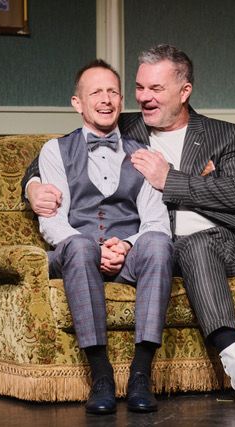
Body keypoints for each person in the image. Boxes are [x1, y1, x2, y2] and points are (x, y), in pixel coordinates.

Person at [23, 45, 235, 401]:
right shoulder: (125, 124)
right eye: (139, 88)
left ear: (184, 91)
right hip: (173, 247)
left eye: (156, 89)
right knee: (197, 243)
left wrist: (170, 179)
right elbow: (60, 153)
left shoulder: (223, 134)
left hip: (234, 243)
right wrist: (32, 187)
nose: (144, 98)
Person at [36, 59, 173, 415]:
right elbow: (52, 223)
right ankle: (101, 376)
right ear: (77, 103)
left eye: (113, 92)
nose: (106, 99)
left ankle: (141, 374)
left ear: (121, 100)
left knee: (159, 243)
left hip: (126, 256)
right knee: (80, 246)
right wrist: (96, 250)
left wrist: (126, 245)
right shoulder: (55, 150)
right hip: (77, 255)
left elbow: (156, 221)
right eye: (96, 92)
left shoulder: (144, 154)